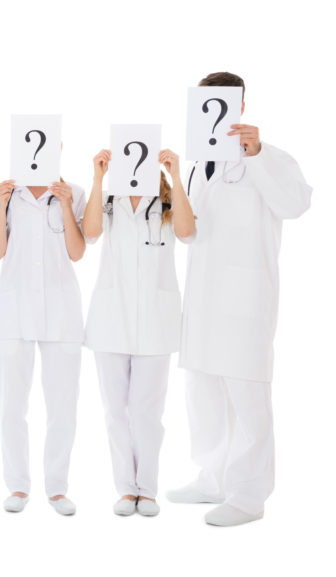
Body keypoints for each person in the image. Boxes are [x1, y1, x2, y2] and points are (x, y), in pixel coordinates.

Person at [167, 72, 312, 527]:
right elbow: (190, 233)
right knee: (203, 391)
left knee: (247, 393)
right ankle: (212, 477)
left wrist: (257, 155)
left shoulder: (273, 157)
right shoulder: (196, 165)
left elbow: (295, 205)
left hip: (246, 297)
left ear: (241, 106)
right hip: (204, 298)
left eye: (223, 102)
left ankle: (249, 494)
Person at [82, 148, 195, 517]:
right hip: (111, 319)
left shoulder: (165, 202)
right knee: (115, 410)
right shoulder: (110, 200)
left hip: (155, 322)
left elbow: (187, 231)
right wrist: (98, 178)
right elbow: (92, 232)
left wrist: (176, 175)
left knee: (147, 412)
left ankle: (147, 489)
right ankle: (124, 489)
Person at [0, 147, 87, 516]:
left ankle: (57, 488)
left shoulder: (73, 192)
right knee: (12, 404)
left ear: (58, 148)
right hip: (13, 311)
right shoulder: (5, 193)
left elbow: (78, 252)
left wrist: (64, 205)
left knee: (63, 405)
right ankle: (17, 485)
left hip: (61, 310)